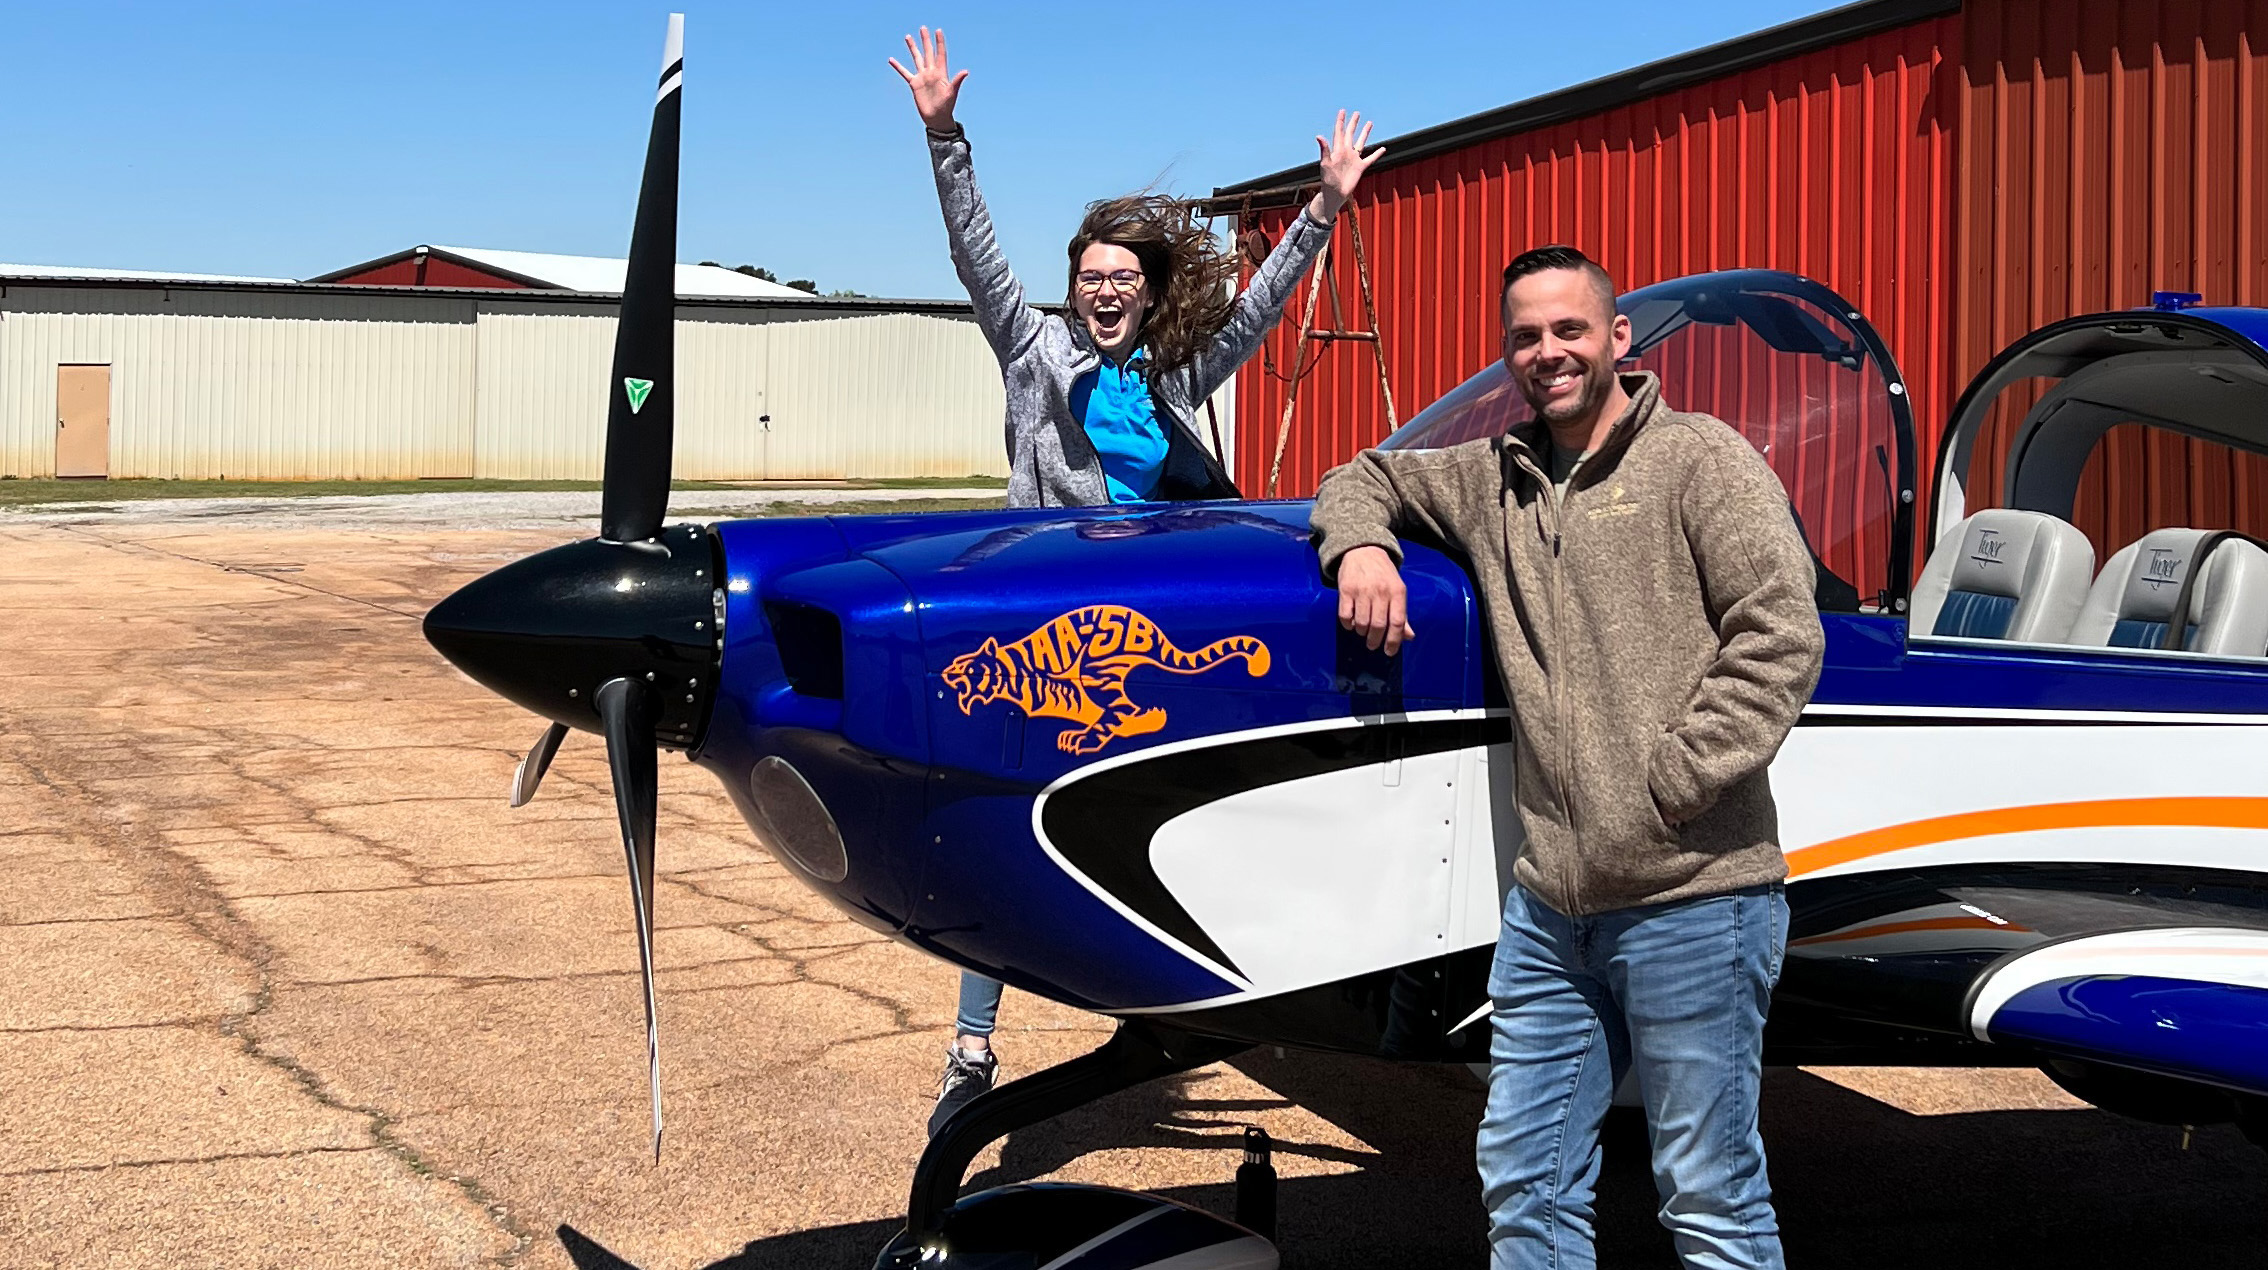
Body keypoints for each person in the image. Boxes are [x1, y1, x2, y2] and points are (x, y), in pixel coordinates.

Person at [890, 25, 1383, 1136]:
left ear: (1147, 295)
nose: (1104, 291)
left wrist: (1323, 207)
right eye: (1089, 277)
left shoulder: (1174, 370)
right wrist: (943, 136)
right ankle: (972, 1049)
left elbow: (1255, 315)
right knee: (1005, 808)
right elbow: (978, 256)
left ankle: (1191, 991)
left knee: (1175, 796)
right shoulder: (1034, 356)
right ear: (1071, 289)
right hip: (1045, 615)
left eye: (1122, 279)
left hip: (1150, 619)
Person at [1311, 245, 1824, 1270]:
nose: (1549, 352)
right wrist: (1359, 546)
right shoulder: (1493, 480)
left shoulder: (1701, 460)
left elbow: (1782, 634)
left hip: (1697, 894)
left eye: (1570, 329)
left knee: (1711, 1195)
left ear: (1618, 339)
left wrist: (1666, 787)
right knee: (1525, 1182)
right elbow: (1360, 474)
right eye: (1526, 337)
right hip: (1550, 910)